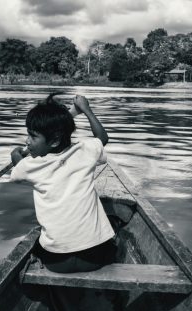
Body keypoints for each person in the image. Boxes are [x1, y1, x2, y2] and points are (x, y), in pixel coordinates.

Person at [10, 93, 116, 274]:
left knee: (37, 245)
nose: (27, 141)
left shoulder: (30, 166)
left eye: (33, 136)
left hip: (56, 262)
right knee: (114, 234)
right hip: (96, 258)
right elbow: (102, 138)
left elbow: (17, 164)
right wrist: (86, 110)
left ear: (55, 140)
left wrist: (15, 155)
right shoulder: (85, 150)